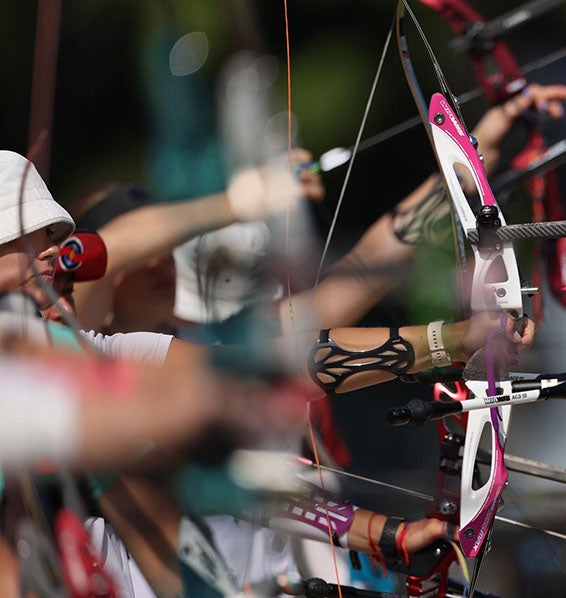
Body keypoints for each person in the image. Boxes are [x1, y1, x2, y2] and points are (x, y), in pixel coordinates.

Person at [0, 148, 536, 596]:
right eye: (29, 237)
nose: (55, 256)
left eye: (56, 237)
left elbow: (263, 376)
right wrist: (240, 200)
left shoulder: (110, 356)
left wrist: (449, 342)